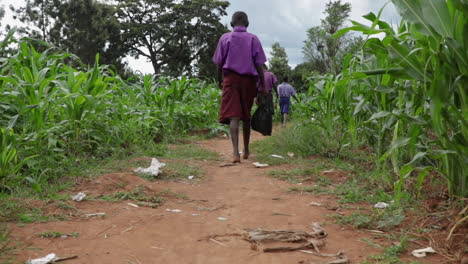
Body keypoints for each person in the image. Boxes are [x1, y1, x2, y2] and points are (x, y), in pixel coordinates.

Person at [213, 11, 267, 163]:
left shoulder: (225, 38)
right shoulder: (253, 39)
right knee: (246, 116)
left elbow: (219, 63)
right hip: (248, 82)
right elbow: (259, 66)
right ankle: (247, 150)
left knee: (234, 116)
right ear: (247, 23)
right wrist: (262, 86)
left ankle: (235, 153)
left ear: (232, 23)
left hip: (230, 79)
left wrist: (220, 80)